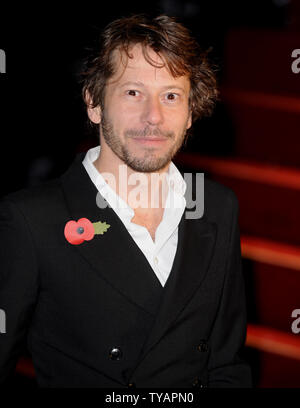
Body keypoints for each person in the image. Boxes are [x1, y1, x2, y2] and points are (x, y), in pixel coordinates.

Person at [0, 14, 252, 387]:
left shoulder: (217, 207)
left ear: (190, 114)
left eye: (171, 95)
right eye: (133, 92)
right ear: (94, 103)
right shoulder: (30, 220)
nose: (154, 117)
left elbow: (227, 362)